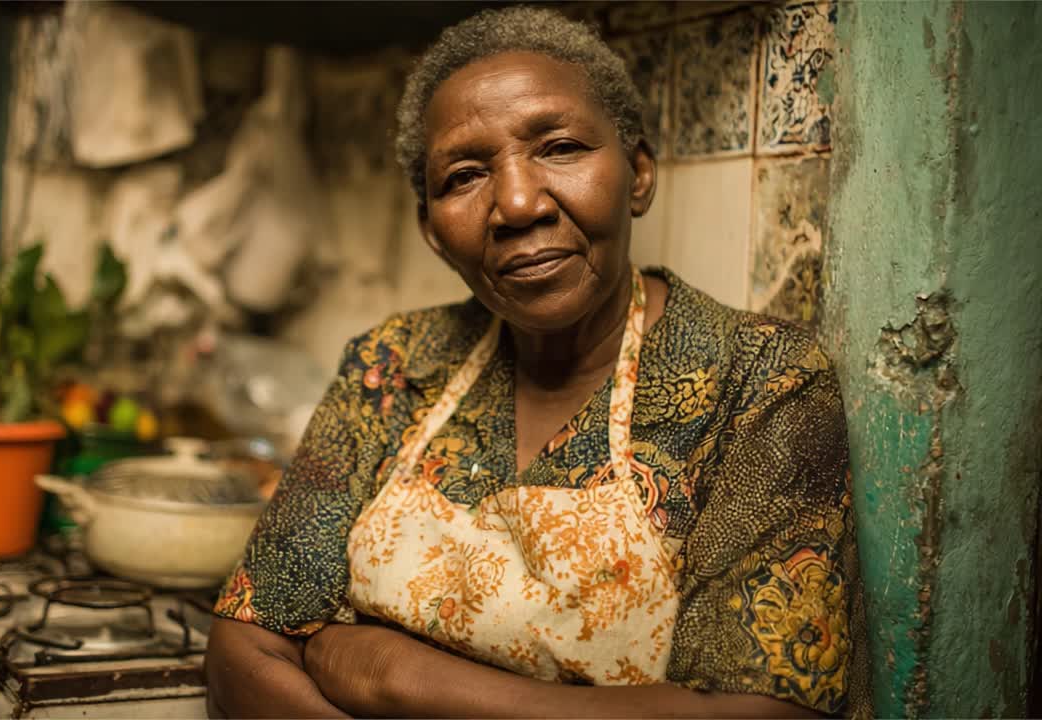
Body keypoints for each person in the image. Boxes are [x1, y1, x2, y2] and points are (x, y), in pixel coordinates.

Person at [206, 6, 871, 718]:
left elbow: (762, 712)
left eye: (560, 148)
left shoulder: (760, 381)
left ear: (638, 174)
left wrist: (397, 677)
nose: (519, 205)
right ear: (432, 230)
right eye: (464, 176)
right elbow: (245, 648)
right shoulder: (392, 365)